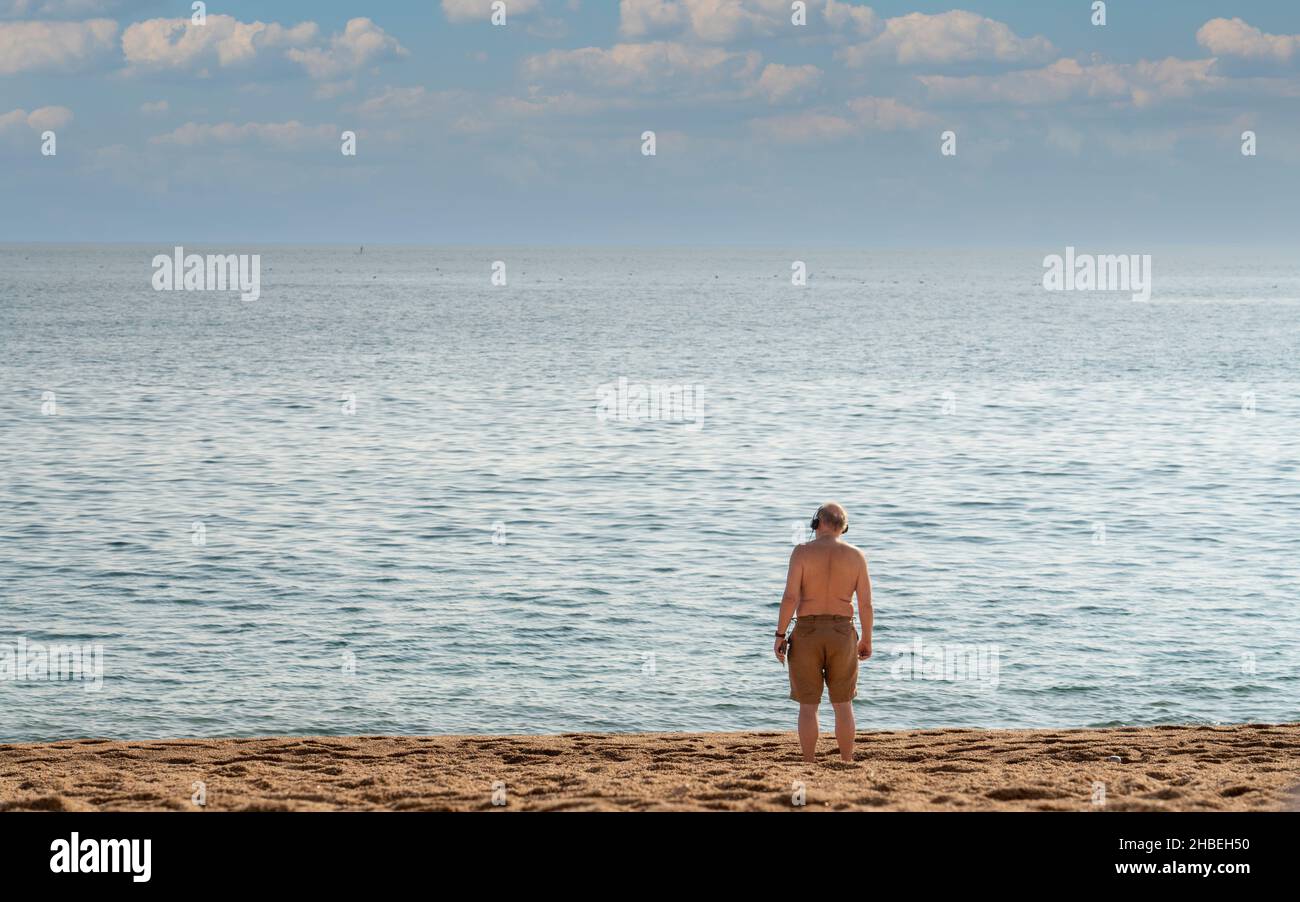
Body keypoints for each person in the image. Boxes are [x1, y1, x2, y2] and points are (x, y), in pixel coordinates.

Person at [774, 502, 873, 762]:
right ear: (844, 527)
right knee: (843, 705)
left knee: (808, 706)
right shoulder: (856, 556)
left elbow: (790, 597)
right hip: (842, 633)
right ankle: (847, 761)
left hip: (807, 632)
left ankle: (808, 761)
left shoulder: (802, 552)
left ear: (817, 523)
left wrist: (780, 635)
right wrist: (866, 639)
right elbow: (865, 604)